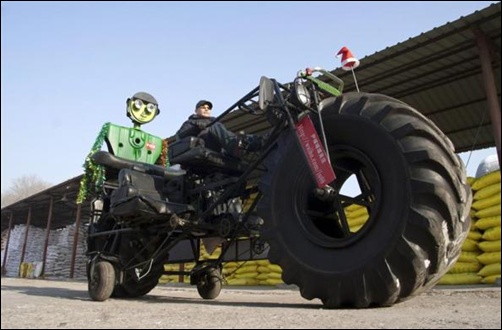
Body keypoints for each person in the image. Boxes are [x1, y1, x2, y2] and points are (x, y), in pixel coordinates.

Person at [174, 100, 264, 157]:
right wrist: (196, 127)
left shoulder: (216, 122)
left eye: (208, 108)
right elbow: (180, 136)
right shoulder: (191, 122)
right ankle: (235, 145)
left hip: (219, 148)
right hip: (203, 145)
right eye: (203, 107)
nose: (206, 109)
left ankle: (256, 141)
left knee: (233, 136)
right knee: (215, 126)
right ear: (196, 110)